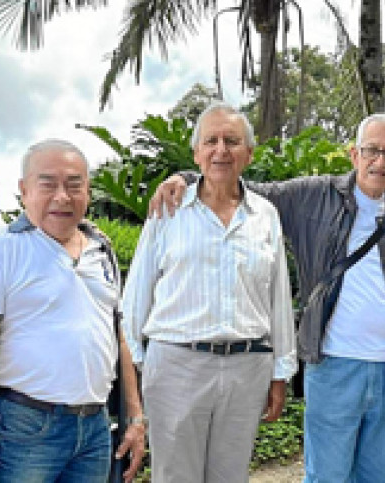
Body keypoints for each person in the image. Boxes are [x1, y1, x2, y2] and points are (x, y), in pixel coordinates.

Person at [150, 113, 385, 482]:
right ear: (354, 154)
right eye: (371, 150)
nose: (380, 161)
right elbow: (244, 188)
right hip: (333, 365)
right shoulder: (313, 196)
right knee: (327, 476)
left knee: (382, 477)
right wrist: (186, 178)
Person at [122, 102, 296, 483]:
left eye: (232, 141)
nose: (221, 150)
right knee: (175, 477)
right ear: (196, 153)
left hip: (247, 369)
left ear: (249, 154)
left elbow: (278, 298)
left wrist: (280, 371)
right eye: (211, 141)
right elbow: (136, 295)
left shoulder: (265, 215)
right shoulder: (167, 209)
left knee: (231, 476)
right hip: (176, 366)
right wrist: (142, 366)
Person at [0, 139, 146, 483]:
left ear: (88, 191)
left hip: (94, 427)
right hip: (23, 426)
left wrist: (135, 418)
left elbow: (118, 338)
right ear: (24, 190)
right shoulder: (0, 251)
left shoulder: (101, 251)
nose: (62, 197)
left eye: (74, 185)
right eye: (48, 184)